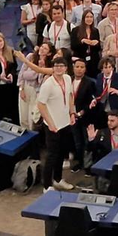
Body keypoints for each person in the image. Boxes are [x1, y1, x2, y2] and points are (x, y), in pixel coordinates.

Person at [37, 56, 77, 191]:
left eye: (62, 66)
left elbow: (70, 96)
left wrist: (72, 113)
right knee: (52, 155)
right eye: (56, 66)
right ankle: (47, 185)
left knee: (62, 152)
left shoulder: (67, 79)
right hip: (52, 125)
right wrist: (50, 123)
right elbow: (41, 105)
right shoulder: (48, 84)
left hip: (65, 122)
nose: (59, 68)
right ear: (53, 68)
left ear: (66, 68)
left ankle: (58, 179)